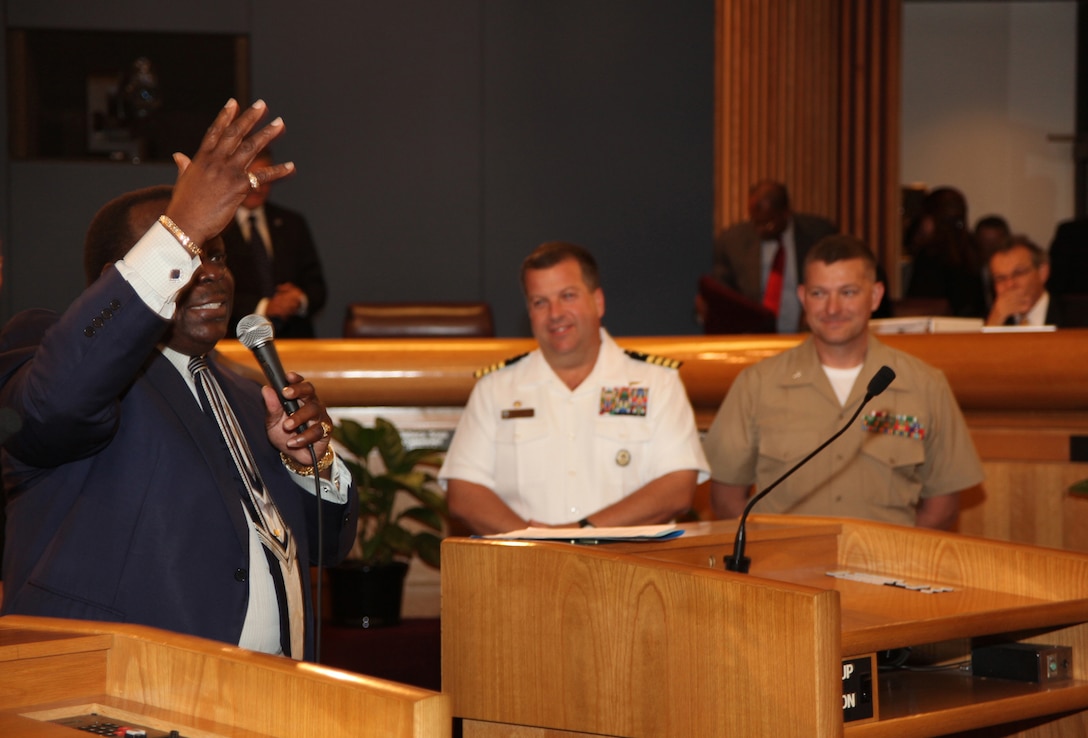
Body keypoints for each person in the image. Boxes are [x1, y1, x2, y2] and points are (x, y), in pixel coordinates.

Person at [0, 99, 358, 661]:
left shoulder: (250, 393)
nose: (210, 273)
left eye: (218, 256)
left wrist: (309, 464)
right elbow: (55, 407)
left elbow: (329, 545)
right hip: (122, 683)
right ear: (114, 278)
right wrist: (182, 226)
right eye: (191, 254)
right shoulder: (50, 352)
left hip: (276, 690)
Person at [704, 234, 983, 530]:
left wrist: (896, 556)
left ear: (875, 296)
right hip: (784, 559)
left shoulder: (925, 385)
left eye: (848, 292)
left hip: (885, 559)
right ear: (802, 297)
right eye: (819, 293)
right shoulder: (757, 385)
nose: (833, 308)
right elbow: (726, 502)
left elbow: (942, 509)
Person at [439, 241, 708, 535]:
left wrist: (582, 533)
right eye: (540, 302)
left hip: (628, 562)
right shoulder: (496, 389)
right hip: (524, 560)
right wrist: (537, 545)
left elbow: (677, 487)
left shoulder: (655, 382)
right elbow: (464, 492)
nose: (555, 313)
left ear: (598, 302)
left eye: (567, 296)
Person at [222, 150, 328, 338]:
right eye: (251, 179)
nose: (257, 187)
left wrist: (298, 299)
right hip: (239, 339)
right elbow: (215, 292)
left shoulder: (292, 223)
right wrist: (265, 307)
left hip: (295, 339)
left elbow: (316, 287)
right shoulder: (218, 228)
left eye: (264, 180)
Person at [712, 180, 837, 333]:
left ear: (786, 213)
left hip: (808, 335)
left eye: (767, 224)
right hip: (753, 337)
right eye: (755, 222)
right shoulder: (732, 242)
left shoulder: (819, 235)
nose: (760, 230)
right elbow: (723, 293)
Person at [905, 187, 987, 318]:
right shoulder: (972, 249)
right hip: (972, 324)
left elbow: (918, 306)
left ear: (931, 218)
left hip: (939, 326)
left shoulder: (929, 257)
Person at [985, 235, 1061, 327]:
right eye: (1000, 278)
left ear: (1042, 273)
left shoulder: (1074, 317)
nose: (1010, 285)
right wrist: (994, 322)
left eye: (1018, 273)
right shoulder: (990, 319)